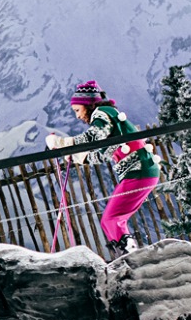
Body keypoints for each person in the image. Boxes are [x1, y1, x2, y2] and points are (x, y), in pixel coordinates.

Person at [46, 80, 160, 256]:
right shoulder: (111, 119)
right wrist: (77, 156)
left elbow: (95, 135)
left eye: (77, 110)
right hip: (142, 171)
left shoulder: (102, 112)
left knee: (111, 218)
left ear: (88, 105)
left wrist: (64, 143)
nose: (77, 116)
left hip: (138, 172)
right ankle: (125, 254)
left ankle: (130, 256)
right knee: (111, 219)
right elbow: (103, 154)